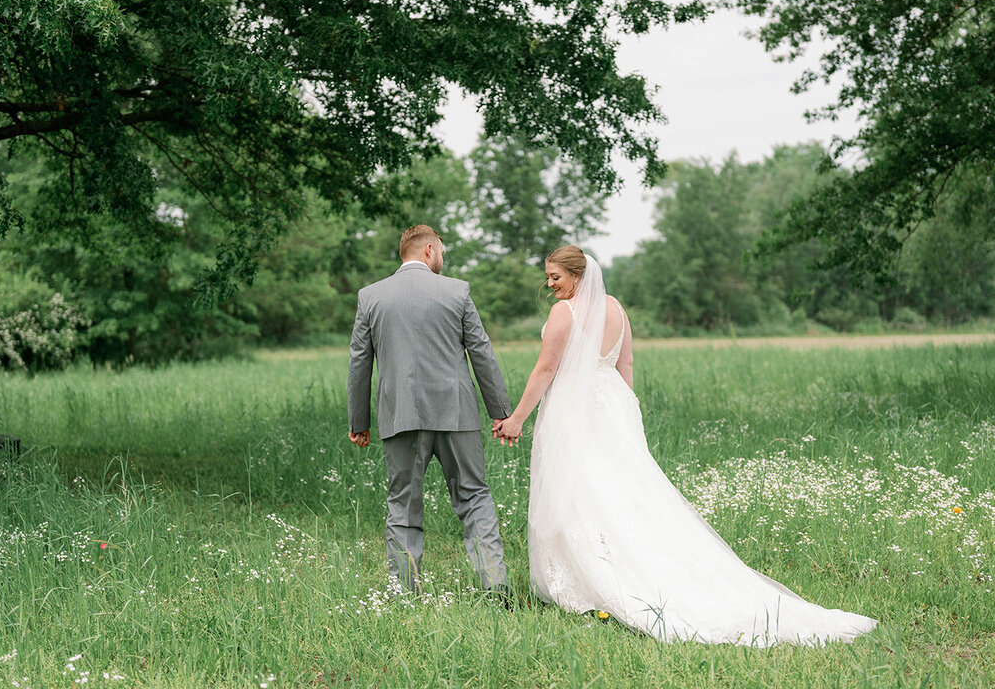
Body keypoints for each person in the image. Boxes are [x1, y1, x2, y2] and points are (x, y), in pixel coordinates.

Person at [493, 245, 876, 645]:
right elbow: (626, 365)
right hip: (613, 407)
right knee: (622, 493)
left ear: (577, 275)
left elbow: (547, 368)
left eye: (555, 276)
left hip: (575, 410)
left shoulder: (564, 313)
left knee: (581, 490)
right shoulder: (616, 309)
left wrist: (517, 418)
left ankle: (591, 581)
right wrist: (625, 413)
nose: (549, 284)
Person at [348, 224, 514, 598]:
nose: (444, 257)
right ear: (427, 250)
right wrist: (500, 411)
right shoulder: (457, 291)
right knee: (474, 496)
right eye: (441, 250)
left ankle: (405, 592)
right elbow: (482, 353)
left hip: (400, 414)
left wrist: (359, 421)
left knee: (403, 504)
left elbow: (360, 361)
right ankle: (495, 585)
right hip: (457, 413)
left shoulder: (370, 296)